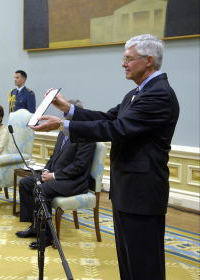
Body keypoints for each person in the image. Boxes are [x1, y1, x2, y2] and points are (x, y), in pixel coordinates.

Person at [31, 34, 179, 280]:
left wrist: (63, 125)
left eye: (128, 59)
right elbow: (108, 118)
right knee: (128, 259)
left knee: (144, 263)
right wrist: (69, 109)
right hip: (127, 190)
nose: (124, 63)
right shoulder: (136, 93)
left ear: (148, 61)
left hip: (142, 192)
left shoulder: (159, 94)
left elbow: (117, 129)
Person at [15, 100, 96, 250]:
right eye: (65, 114)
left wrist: (54, 176)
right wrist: (46, 171)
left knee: (41, 190)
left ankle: (47, 237)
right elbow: (54, 157)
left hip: (74, 181)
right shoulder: (62, 133)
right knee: (26, 183)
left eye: (70, 114)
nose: (66, 117)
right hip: (57, 176)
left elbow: (79, 166)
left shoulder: (87, 137)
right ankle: (35, 226)